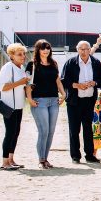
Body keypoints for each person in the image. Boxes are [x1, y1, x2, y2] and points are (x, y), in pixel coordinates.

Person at [61, 40, 101, 164]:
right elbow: (63, 80)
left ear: (89, 50)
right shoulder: (70, 63)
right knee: (74, 129)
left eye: (86, 49)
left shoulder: (95, 62)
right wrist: (77, 85)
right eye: (81, 49)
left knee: (88, 129)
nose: (84, 51)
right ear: (77, 50)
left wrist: (94, 83)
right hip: (74, 101)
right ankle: (75, 156)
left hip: (89, 100)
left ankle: (90, 155)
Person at [25, 40, 66, 168]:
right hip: (39, 101)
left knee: (51, 131)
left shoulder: (54, 63)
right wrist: (29, 98)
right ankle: (41, 160)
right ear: (38, 50)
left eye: (48, 48)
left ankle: (46, 159)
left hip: (54, 101)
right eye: (43, 48)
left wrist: (63, 94)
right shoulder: (32, 64)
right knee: (44, 130)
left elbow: (57, 81)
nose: (46, 50)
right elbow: (28, 83)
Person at [0, 43, 29, 171]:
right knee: (9, 133)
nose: (23, 56)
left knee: (16, 133)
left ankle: (11, 159)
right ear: (11, 56)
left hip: (19, 106)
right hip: (9, 106)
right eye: (19, 54)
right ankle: (4, 162)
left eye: (23, 54)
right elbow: (2, 87)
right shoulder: (7, 68)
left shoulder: (21, 68)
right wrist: (20, 82)